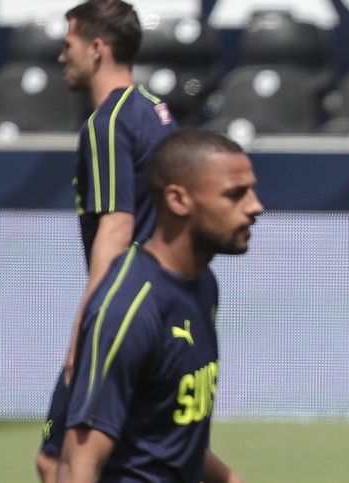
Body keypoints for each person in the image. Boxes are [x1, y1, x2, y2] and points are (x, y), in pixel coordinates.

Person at [57, 128, 262, 482]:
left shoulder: (202, 284)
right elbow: (77, 464)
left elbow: (170, 437)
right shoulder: (127, 308)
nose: (255, 206)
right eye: (235, 194)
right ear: (178, 200)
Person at [37, 1, 178, 481]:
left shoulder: (107, 122)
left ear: (96, 48)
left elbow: (115, 227)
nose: (62, 57)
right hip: (162, 307)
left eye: (68, 44)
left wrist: (85, 327)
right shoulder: (154, 110)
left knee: (57, 460)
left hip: (122, 310)